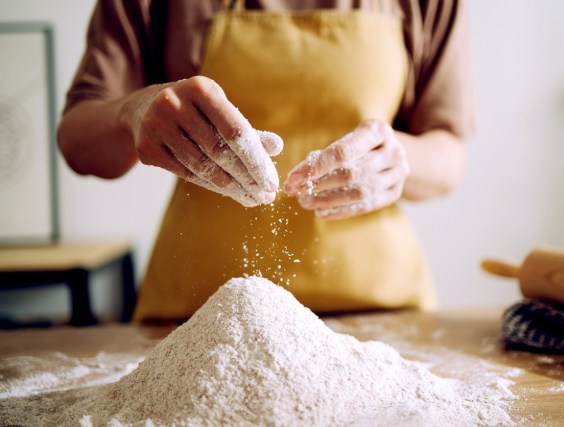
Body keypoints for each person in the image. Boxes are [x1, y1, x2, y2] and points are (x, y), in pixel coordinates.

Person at [58, 0, 474, 322]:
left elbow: (449, 153)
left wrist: (398, 160)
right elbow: (77, 141)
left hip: (379, 314)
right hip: (198, 318)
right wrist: (133, 112)